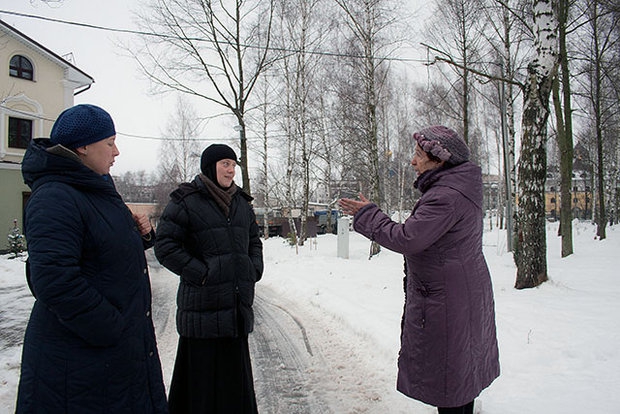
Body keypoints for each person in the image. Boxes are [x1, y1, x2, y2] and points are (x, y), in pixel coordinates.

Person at [16, 104, 168, 413]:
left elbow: (99, 247)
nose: (117, 151)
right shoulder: (55, 196)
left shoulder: (93, 188)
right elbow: (53, 279)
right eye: (110, 143)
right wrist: (112, 326)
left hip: (109, 360)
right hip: (80, 363)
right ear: (83, 146)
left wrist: (140, 235)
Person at [339, 125, 500, 414]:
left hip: (447, 301)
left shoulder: (445, 197)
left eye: (417, 155)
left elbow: (407, 238)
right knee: (459, 378)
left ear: (439, 161)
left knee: (450, 381)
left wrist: (367, 215)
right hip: (461, 293)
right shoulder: (457, 188)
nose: (412, 162)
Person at [154, 144, 264, 414]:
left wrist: (253, 268)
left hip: (235, 312)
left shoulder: (240, 202)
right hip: (201, 313)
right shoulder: (186, 200)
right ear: (210, 167)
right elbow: (165, 246)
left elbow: (254, 241)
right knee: (201, 390)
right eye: (225, 163)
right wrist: (201, 274)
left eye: (233, 164)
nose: (231, 170)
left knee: (234, 387)